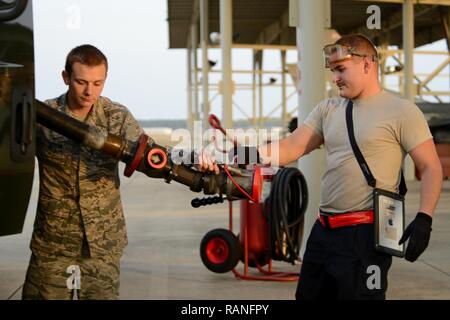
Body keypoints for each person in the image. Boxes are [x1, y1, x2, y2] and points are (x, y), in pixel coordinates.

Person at [199, 34, 442, 300]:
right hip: (323, 230)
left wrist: (424, 218)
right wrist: (238, 154)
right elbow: (290, 147)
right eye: (332, 71)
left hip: (366, 235)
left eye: (341, 69)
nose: (335, 78)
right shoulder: (328, 109)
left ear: (367, 64)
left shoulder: (401, 111)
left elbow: (430, 166)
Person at [22, 44, 143, 300]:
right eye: (81, 82)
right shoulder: (43, 116)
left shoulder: (116, 118)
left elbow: (152, 156)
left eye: (98, 83)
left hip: (101, 245)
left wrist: (199, 161)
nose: (90, 91)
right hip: (53, 245)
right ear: (66, 77)